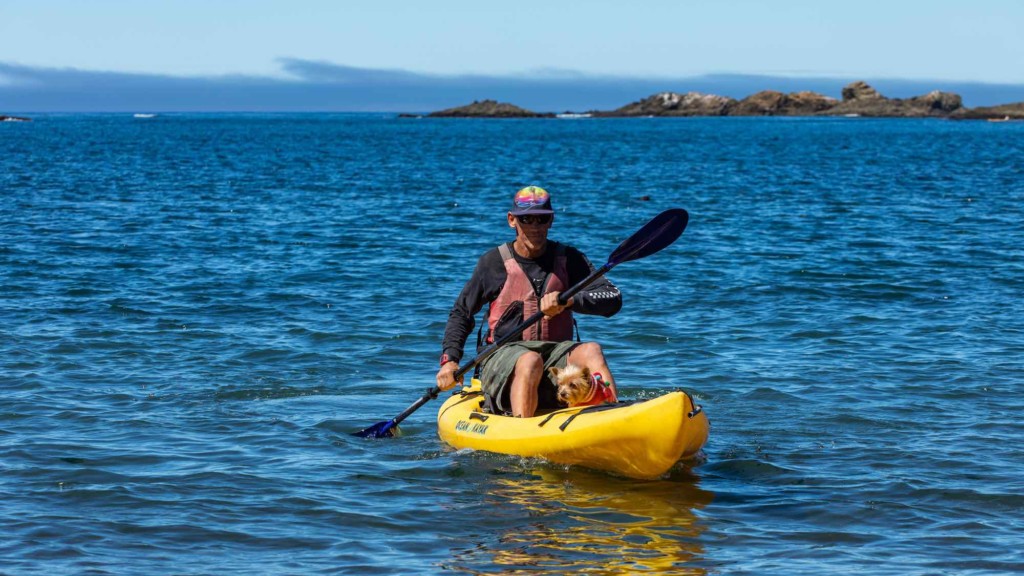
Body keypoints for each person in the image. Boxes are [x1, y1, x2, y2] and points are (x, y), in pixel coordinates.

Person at [435, 186, 623, 417]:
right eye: (526, 219)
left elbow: (612, 299)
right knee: (530, 359)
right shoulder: (492, 263)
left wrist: (570, 301)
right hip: (503, 356)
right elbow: (461, 313)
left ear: (551, 220)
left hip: (556, 355)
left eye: (541, 219)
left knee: (591, 349)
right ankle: (523, 433)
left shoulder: (570, 259)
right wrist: (450, 361)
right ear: (512, 220)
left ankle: (612, 415)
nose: (535, 227)